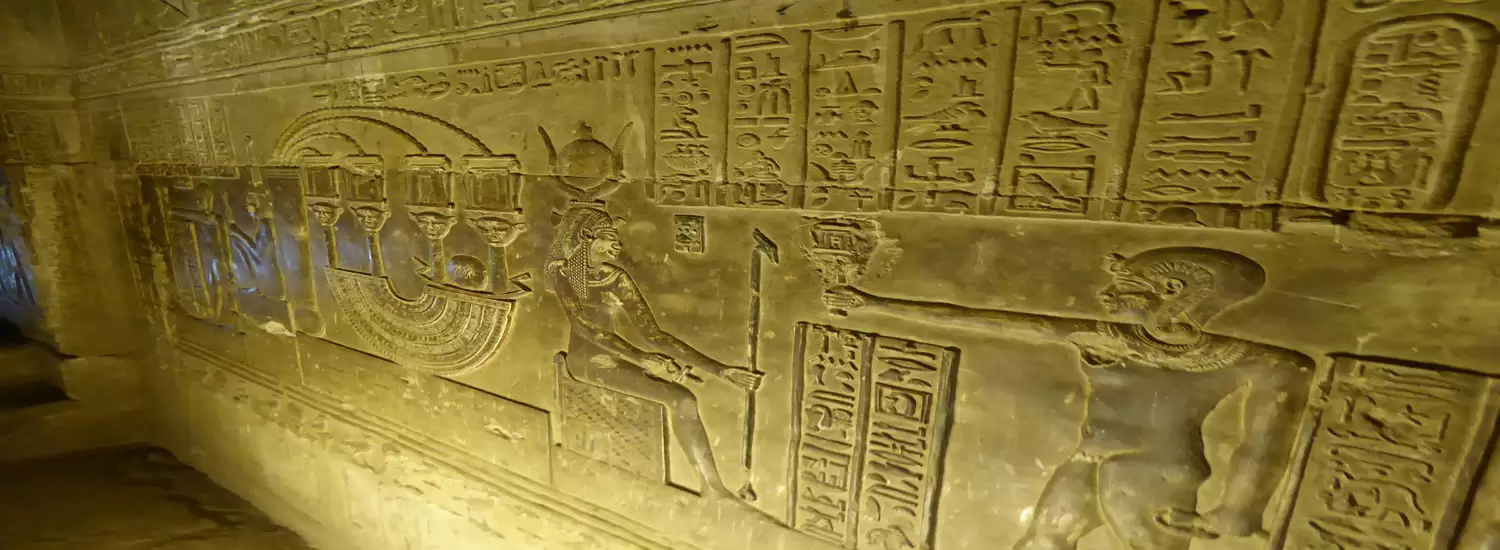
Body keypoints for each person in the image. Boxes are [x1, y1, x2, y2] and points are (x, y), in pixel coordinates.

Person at [823, 247, 1312, 550]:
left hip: (1153, 472)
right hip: (1086, 460)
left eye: (1127, 289)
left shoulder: (1253, 361)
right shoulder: (1106, 338)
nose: (1110, 297)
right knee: (1043, 540)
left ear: (1174, 292)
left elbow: (1265, 442)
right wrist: (875, 304)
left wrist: (1241, 507)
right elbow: (987, 320)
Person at [546, 206, 762, 499]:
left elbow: (654, 335)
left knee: (684, 399)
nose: (616, 244)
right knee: (681, 398)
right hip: (588, 361)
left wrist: (719, 370)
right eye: (609, 236)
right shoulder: (563, 274)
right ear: (587, 236)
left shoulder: (616, 277)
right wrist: (641, 358)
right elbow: (584, 327)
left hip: (617, 359)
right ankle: (713, 489)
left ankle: (712, 489)